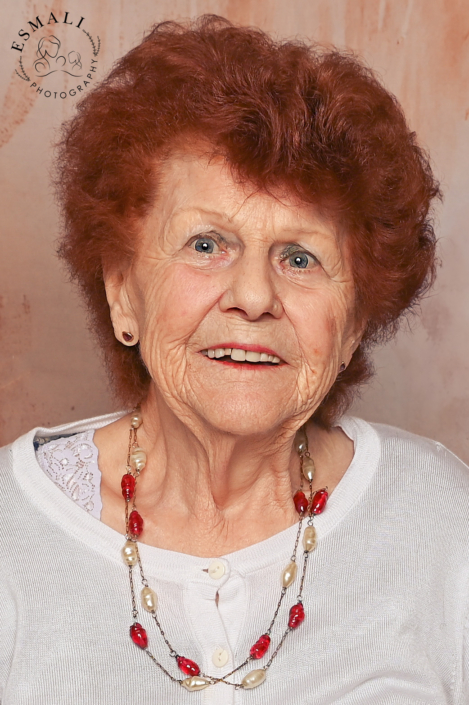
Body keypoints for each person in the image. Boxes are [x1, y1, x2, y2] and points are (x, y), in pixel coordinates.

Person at [1, 14, 468, 704]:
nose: (253, 296)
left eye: (300, 257)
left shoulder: (436, 520)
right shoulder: (14, 535)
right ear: (124, 291)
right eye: (205, 244)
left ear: (350, 328)